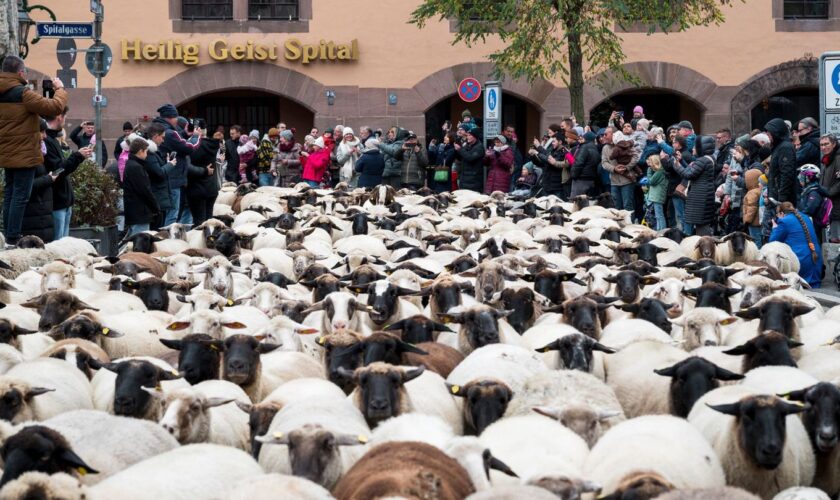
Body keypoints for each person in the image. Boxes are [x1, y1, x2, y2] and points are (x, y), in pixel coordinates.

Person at [0, 56, 69, 245]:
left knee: (11, 195)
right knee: (21, 196)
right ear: (21, 72)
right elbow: (54, 107)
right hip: (24, 153)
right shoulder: (22, 93)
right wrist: (60, 89)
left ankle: (8, 236)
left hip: (6, 152)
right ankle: (13, 238)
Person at [43, 107, 90, 240]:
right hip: (57, 201)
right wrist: (77, 156)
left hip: (63, 201)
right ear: (59, 116)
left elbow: (61, 169)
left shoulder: (52, 139)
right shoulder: (47, 141)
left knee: (64, 244)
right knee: (59, 245)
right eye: (65, 116)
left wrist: (78, 157)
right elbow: (58, 170)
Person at [152, 103, 200, 226]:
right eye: (175, 117)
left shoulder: (162, 129)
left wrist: (184, 134)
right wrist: (196, 137)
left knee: (168, 214)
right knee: (172, 216)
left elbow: (173, 142)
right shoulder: (169, 133)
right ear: (170, 117)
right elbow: (188, 148)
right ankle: (168, 241)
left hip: (166, 177)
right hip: (173, 179)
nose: (177, 120)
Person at [770, 202, 822, 288]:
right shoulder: (806, 217)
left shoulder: (784, 221)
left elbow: (772, 241)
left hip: (800, 262)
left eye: (778, 215)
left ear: (782, 213)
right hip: (816, 262)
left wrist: (775, 228)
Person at [672, 135, 717, 236]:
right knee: (702, 224)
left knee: (701, 226)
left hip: (700, 196)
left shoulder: (703, 160)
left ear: (701, 148)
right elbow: (694, 170)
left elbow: (689, 174)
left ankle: (704, 247)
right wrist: (681, 161)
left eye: (694, 147)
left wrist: (676, 165)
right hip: (704, 194)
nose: (692, 149)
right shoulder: (709, 158)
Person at [20, 120, 55, 243]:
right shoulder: (27, 155)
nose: (45, 136)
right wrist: (48, 179)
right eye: (42, 132)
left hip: (41, 215)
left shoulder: (39, 154)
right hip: (34, 216)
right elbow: (25, 186)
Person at [122, 138, 160, 237]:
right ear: (140, 151)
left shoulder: (132, 164)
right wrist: (156, 208)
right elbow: (145, 191)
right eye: (146, 152)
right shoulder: (136, 167)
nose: (147, 155)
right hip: (139, 212)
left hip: (136, 212)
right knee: (140, 242)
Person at [185, 132, 222, 226]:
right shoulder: (213, 145)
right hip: (211, 188)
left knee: (199, 221)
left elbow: (188, 167)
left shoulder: (192, 147)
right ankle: (210, 239)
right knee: (209, 220)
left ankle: (201, 239)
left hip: (196, 188)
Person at [143, 123, 174, 230]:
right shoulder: (150, 153)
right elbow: (158, 173)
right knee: (157, 229)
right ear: (156, 136)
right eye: (162, 137)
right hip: (157, 197)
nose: (163, 140)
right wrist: (170, 165)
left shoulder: (153, 152)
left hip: (159, 197)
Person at [602, 131, 640, 213]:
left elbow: (636, 156)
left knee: (628, 206)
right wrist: (614, 168)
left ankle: (630, 225)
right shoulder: (605, 148)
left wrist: (627, 167)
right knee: (616, 207)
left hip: (627, 180)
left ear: (613, 135)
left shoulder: (626, 144)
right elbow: (604, 163)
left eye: (606, 134)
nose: (604, 136)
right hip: (614, 181)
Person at [764, 118, 798, 205]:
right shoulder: (778, 147)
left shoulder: (785, 147)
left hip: (780, 199)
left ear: (776, 132)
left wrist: (782, 198)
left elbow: (787, 173)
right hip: (775, 195)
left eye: (769, 132)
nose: (767, 134)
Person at [530, 124, 566, 198]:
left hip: (556, 186)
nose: (552, 143)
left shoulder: (564, 151)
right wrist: (533, 155)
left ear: (560, 142)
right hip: (547, 183)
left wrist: (538, 151)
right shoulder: (553, 150)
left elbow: (549, 161)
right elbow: (542, 163)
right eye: (552, 142)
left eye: (554, 142)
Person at [796, 164, 827, 245]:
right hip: (809, 223)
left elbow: (810, 209)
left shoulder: (814, 192)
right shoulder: (807, 190)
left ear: (809, 178)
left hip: (813, 224)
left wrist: (798, 214)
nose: (799, 178)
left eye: (802, 176)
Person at [820, 134, 840, 243]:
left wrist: (828, 193)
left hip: (837, 207)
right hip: (830, 207)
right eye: (821, 145)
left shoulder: (838, 158)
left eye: (826, 144)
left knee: (836, 240)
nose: (823, 147)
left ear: (834, 144)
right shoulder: (827, 160)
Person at [454, 126, 485, 192]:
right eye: (467, 135)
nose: (467, 137)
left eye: (470, 135)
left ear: (475, 137)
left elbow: (470, 158)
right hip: (464, 179)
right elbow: (461, 158)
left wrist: (460, 149)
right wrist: (456, 151)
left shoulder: (479, 147)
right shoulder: (466, 145)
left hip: (474, 181)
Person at [570, 131, 599, 197]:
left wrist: (573, 175)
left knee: (575, 203)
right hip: (591, 180)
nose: (581, 139)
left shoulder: (584, 147)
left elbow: (578, 163)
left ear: (586, 139)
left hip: (580, 180)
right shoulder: (595, 148)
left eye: (583, 138)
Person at [742, 169, 764, 247]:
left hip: (753, 222)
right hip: (759, 221)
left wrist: (747, 221)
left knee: (755, 240)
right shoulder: (760, 190)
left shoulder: (752, 192)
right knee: (761, 238)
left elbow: (752, 207)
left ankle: (757, 255)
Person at [646, 155, 667, 231]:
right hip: (656, 196)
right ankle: (659, 230)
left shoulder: (660, 171)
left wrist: (648, 171)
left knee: (659, 215)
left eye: (651, 162)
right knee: (657, 215)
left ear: (655, 162)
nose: (649, 164)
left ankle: (662, 231)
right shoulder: (658, 171)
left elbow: (651, 181)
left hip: (657, 197)